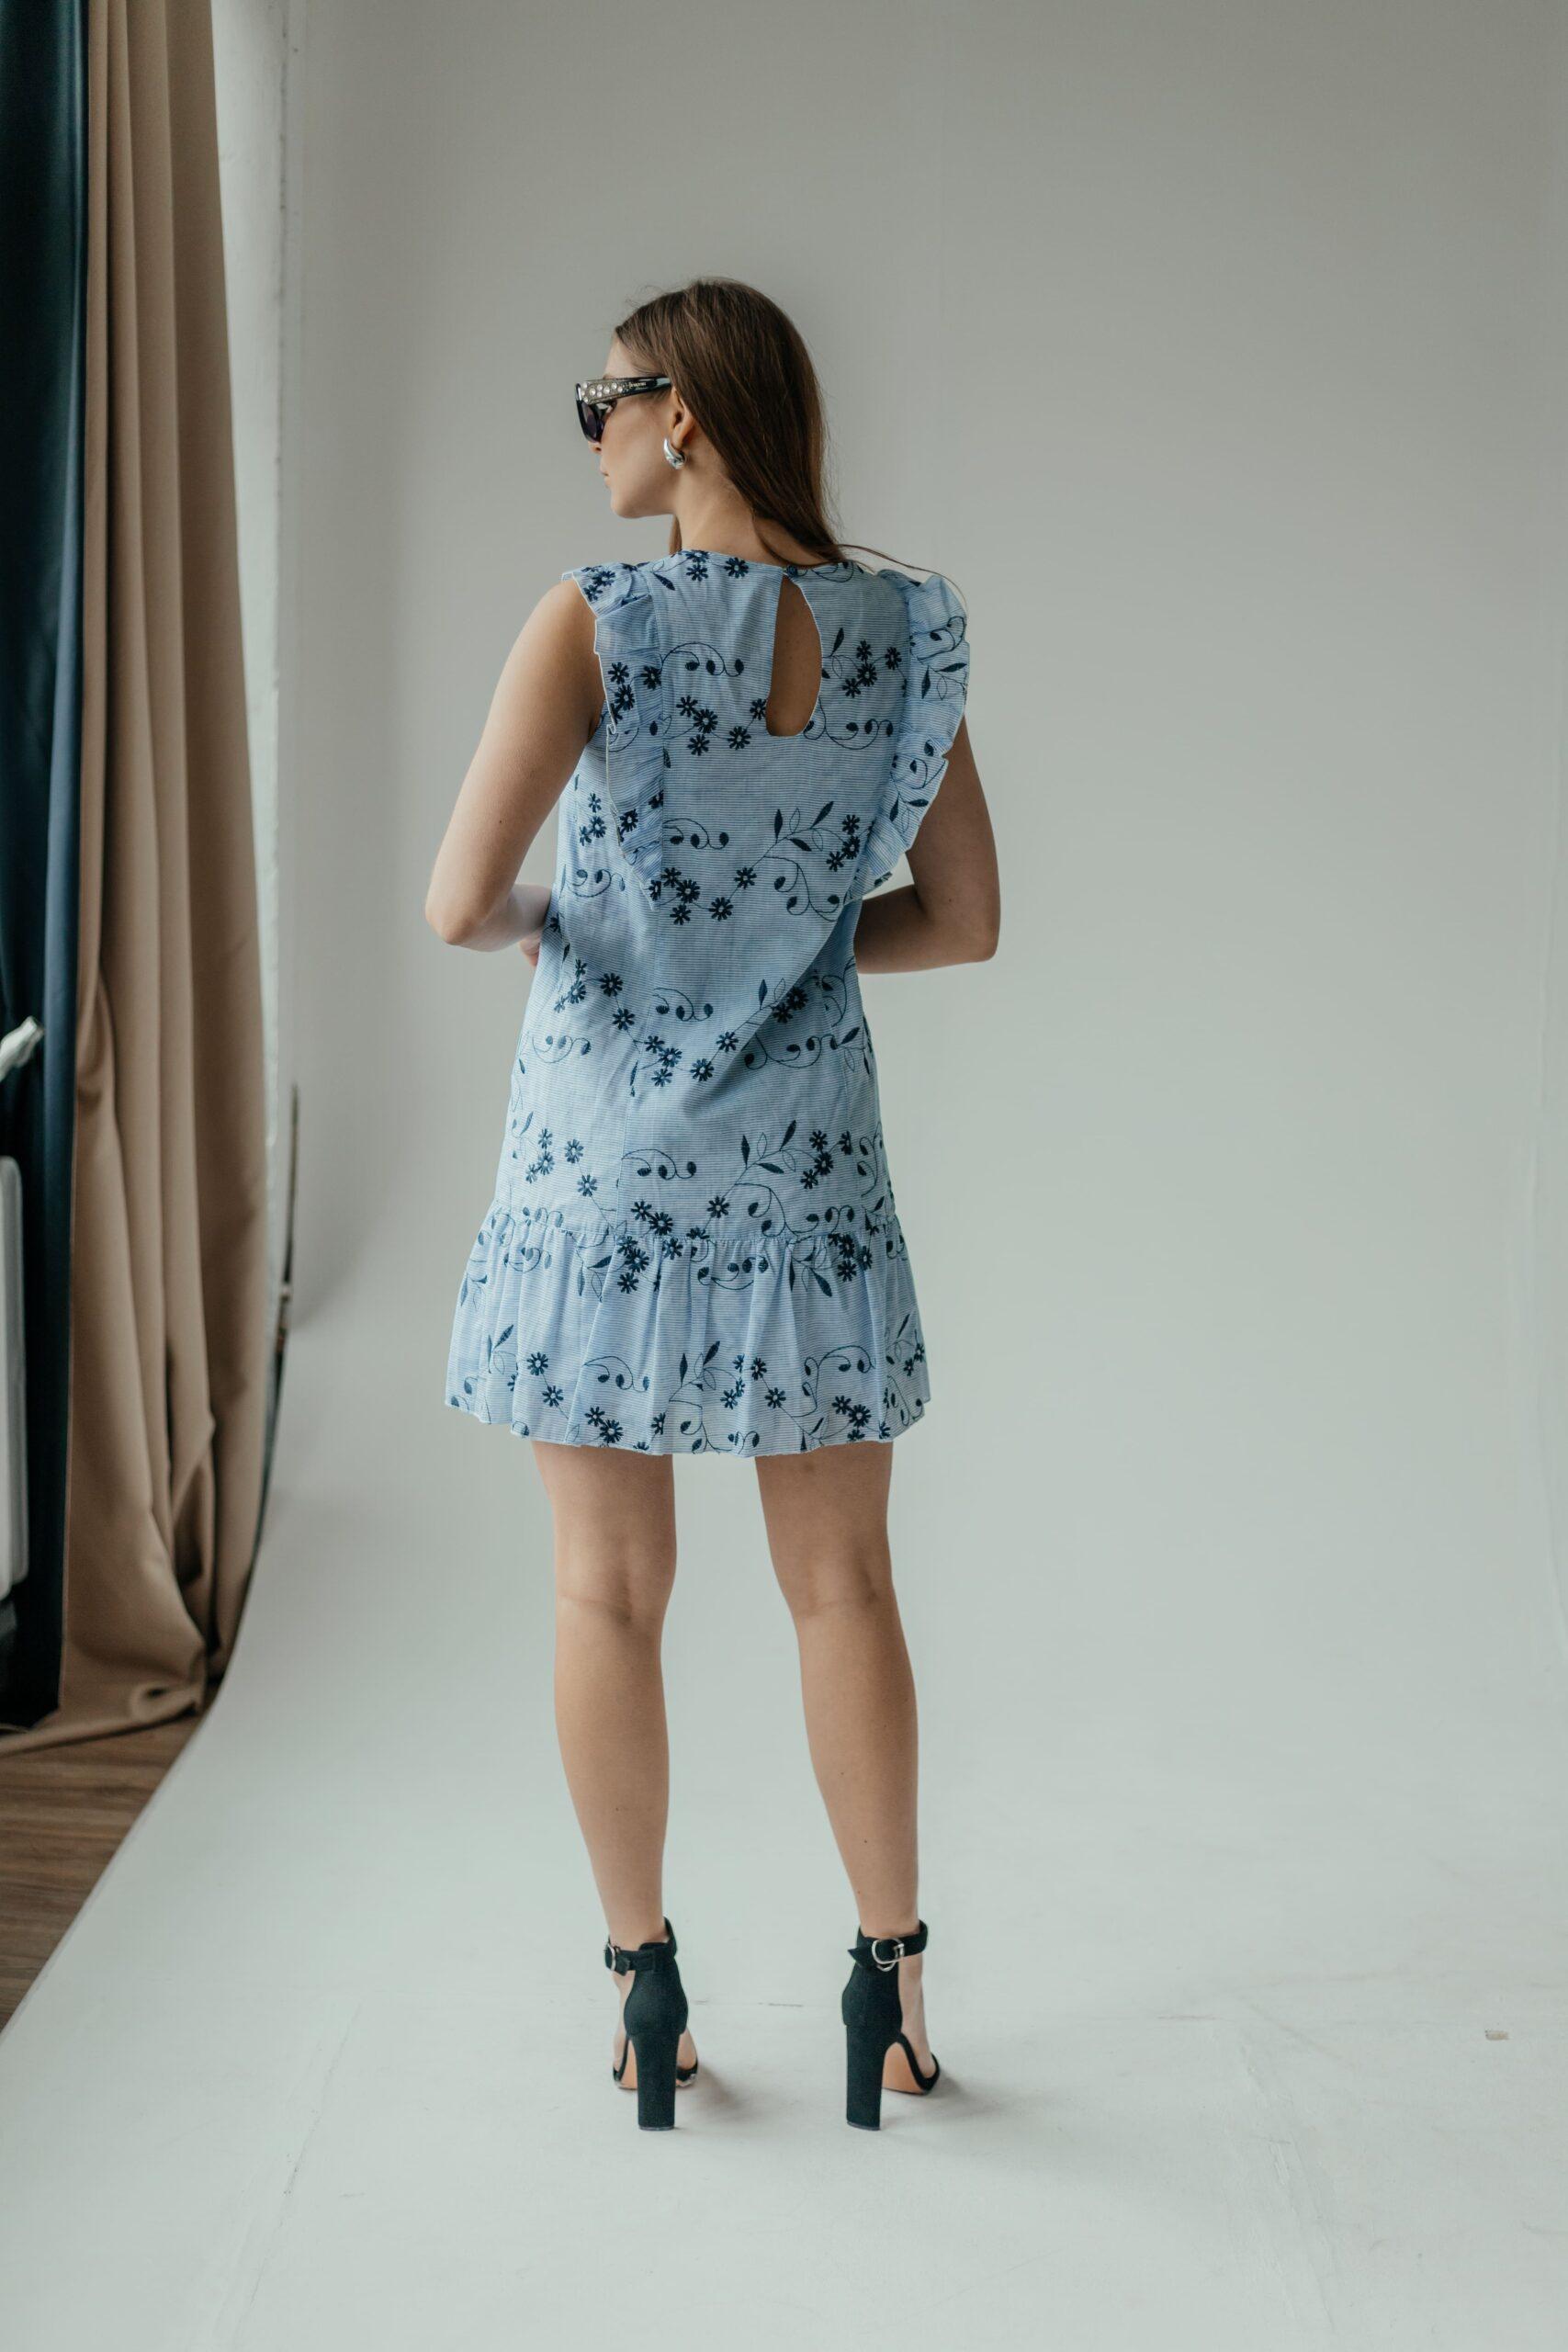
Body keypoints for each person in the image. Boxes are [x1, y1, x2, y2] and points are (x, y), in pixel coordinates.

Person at [425, 277, 999, 2132]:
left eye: (599, 397)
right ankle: (891, 1988)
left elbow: (460, 903)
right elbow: (964, 919)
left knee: (606, 1587)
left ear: (679, 414)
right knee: (844, 1585)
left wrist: (588, 931)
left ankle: (644, 1987)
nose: (588, 431)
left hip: (601, 1173)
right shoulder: (902, 632)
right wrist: (791, 955)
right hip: (808, 1181)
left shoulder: (594, 621)